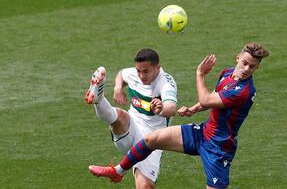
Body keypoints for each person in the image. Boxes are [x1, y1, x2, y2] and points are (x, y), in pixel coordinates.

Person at [88, 42, 269, 188]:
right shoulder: (228, 73)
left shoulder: (243, 91)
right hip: (203, 132)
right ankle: (118, 171)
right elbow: (215, 97)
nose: (246, 69)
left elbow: (206, 100)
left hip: (219, 146)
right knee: (152, 139)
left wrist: (200, 74)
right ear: (238, 58)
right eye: (244, 63)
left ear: (257, 68)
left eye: (252, 67)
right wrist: (194, 109)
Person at [85, 48, 177, 189]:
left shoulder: (165, 83)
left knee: (145, 187)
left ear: (157, 68)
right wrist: (118, 88)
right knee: (120, 116)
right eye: (138, 71)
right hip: (130, 128)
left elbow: (171, 107)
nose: (141, 75)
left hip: (153, 140)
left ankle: (99, 100)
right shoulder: (134, 73)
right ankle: (99, 99)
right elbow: (121, 74)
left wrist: (161, 109)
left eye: (145, 71)